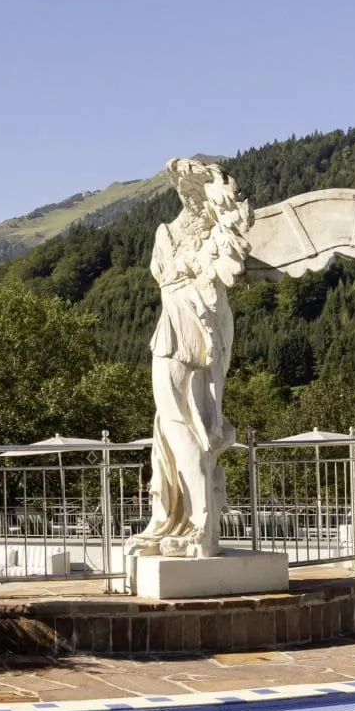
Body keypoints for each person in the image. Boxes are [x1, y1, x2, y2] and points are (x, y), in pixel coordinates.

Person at [132, 158, 250, 557]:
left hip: (189, 332)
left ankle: (200, 527)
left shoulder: (211, 238)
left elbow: (206, 286)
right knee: (169, 433)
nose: (187, 195)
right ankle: (178, 520)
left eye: (192, 189)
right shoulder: (169, 232)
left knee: (184, 430)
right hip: (177, 332)